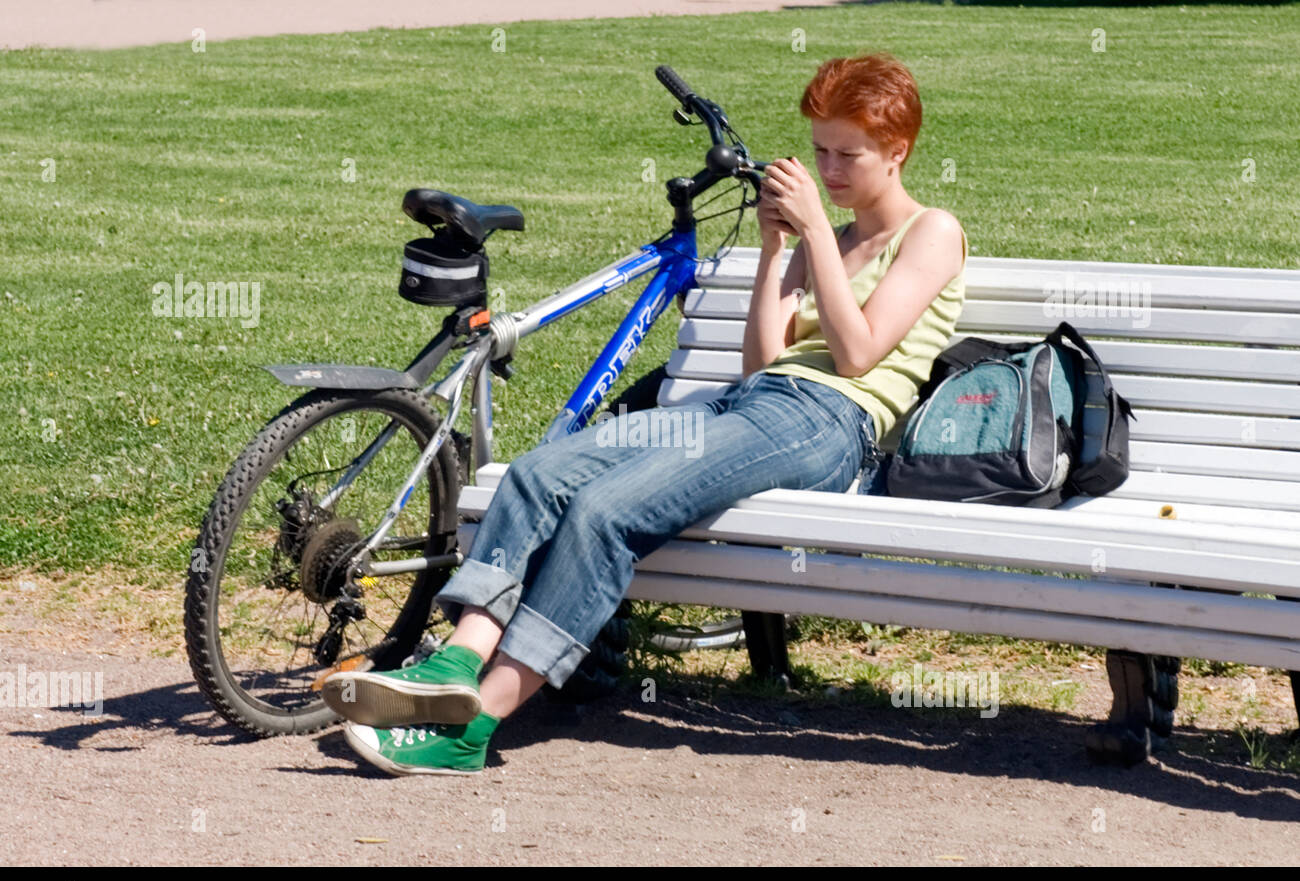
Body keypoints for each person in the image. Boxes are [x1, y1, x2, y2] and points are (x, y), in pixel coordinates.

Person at [322, 51, 969, 775]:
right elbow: (759, 363)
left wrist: (815, 234)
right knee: (540, 473)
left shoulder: (931, 232)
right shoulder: (831, 235)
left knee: (604, 510)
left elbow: (856, 356)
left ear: (897, 150)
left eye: (847, 154)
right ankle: (456, 666)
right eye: (819, 151)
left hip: (827, 424)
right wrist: (774, 248)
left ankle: (478, 722)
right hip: (751, 404)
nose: (829, 170)